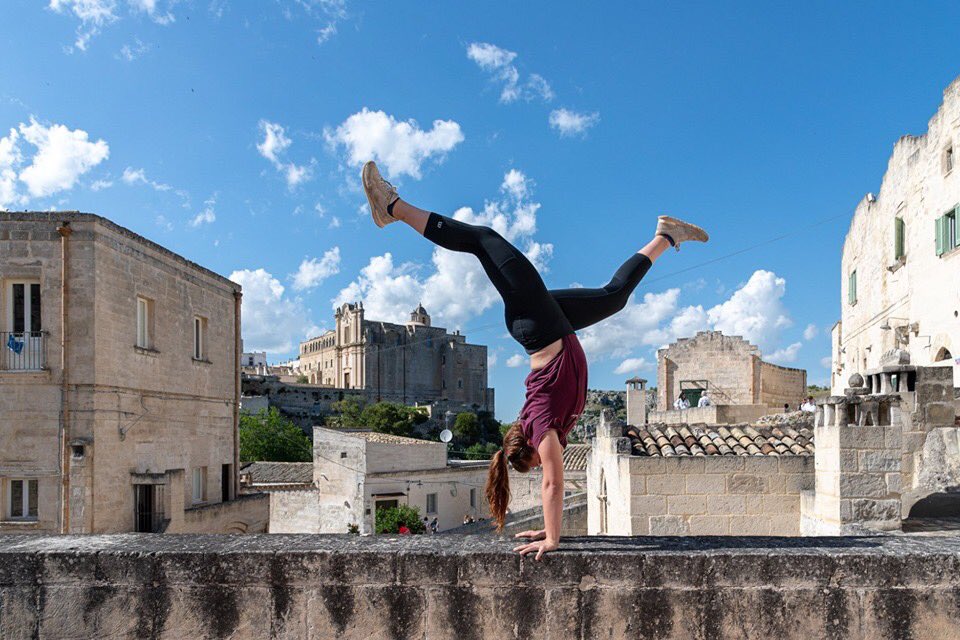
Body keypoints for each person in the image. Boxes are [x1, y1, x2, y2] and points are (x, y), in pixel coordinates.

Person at [362, 160, 709, 560]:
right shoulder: (552, 424)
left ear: (530, 446)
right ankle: (666, 235)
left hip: (537, 324)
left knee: (482, 239)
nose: (549, 461)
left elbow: (553, 485)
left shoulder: (540, 422)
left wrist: (552, 542)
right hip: (550, 325)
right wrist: (551, 528)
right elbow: (553, 489)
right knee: (613, 296)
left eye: (539, 460)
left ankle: (392, 208)